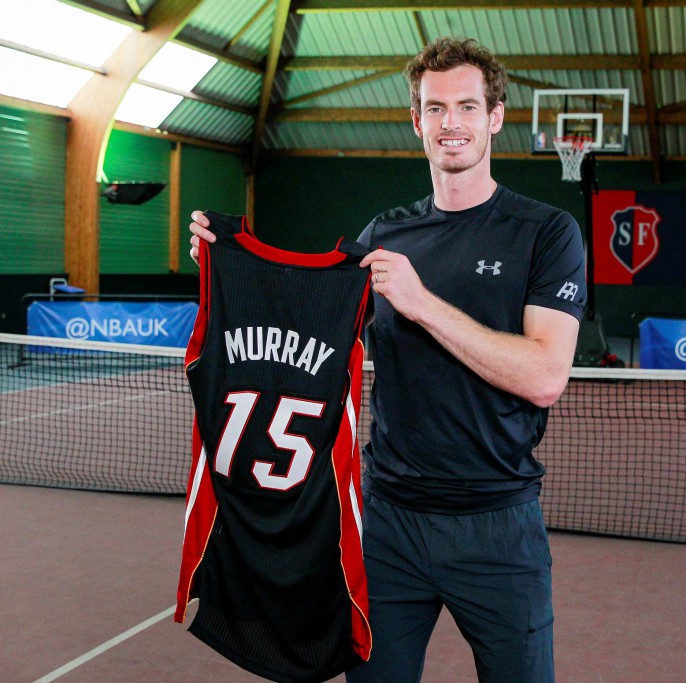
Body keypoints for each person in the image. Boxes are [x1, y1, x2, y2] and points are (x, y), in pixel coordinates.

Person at [189, 37, 586, 683]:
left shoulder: (546, 232)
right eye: (434, 108)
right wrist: (224, 268)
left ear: (495, 117)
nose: (449, 123)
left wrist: (420, 300)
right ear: (416, 121)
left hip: (497, 528)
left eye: (465, 106)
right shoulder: (385, 234)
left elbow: (545, 377)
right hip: (386, 525)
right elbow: (302, 330)